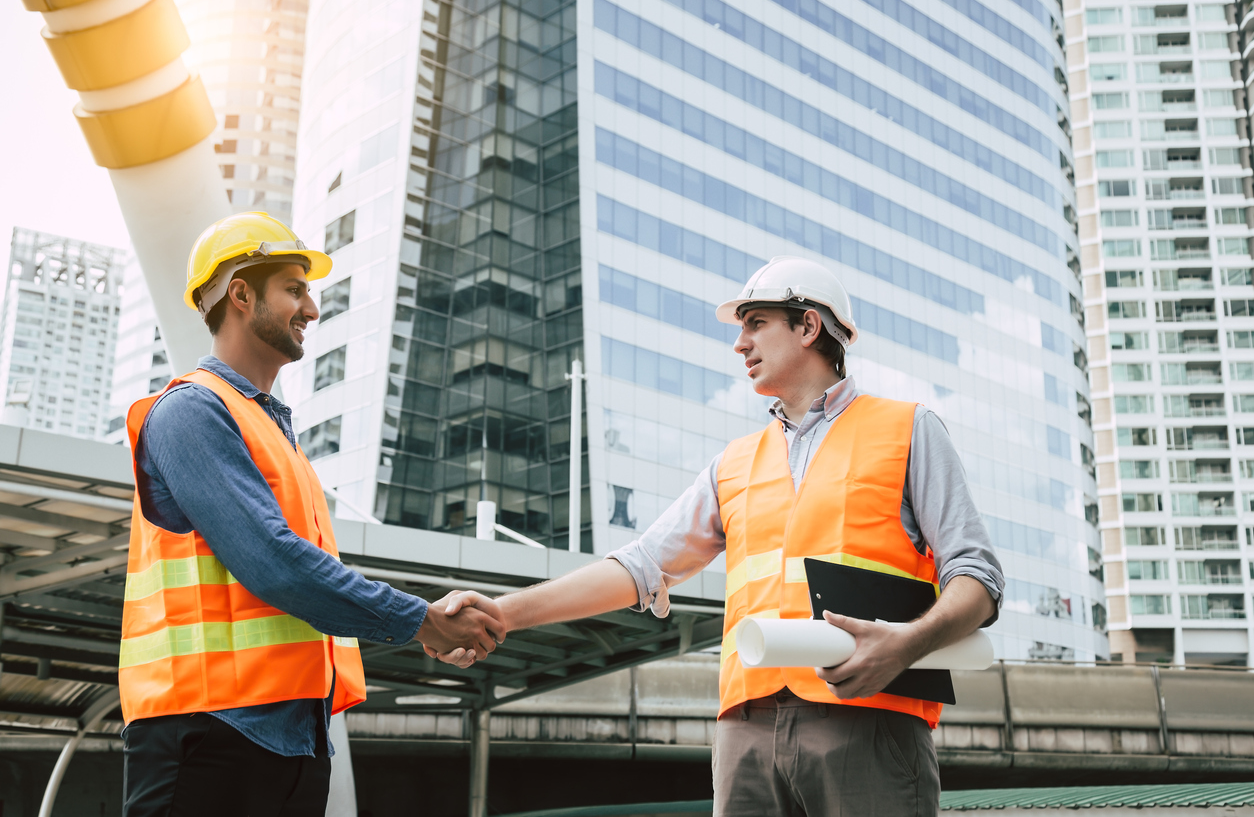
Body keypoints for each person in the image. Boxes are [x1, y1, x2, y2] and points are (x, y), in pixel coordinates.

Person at [435, 256, 1004, 816]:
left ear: (808, 327)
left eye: (756, 323)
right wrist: (502, 614)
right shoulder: (733, 464)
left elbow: (977, 577)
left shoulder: (909, 429)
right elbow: (640, 567)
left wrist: (909, 643)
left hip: (868, 717)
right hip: (746, 734)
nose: (740, 344)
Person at [119, 212, 505, 816]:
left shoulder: (277, 436)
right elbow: (274, 564)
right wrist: (420, 620)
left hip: (291, 740)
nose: (312, 308)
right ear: (241, 294)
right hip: (207, 733)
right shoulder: (189, 412)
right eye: (295, 289)